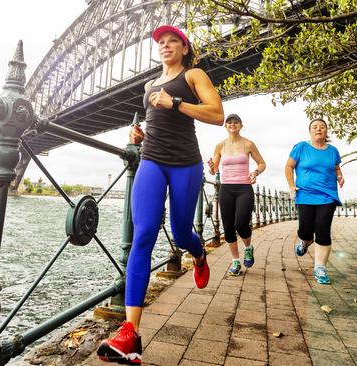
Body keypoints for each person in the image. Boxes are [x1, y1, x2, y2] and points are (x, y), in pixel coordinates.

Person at [97, 25, 224, 364]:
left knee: (182, 232)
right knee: (143, 237)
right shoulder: (148, 85)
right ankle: (130, 333)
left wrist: (176, 101)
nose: (165, 46)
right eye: (161, 42)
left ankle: (197, 255)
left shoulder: (193, 75)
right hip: (151, 161)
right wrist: (138, 134)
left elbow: (217, 114)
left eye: (173, 41)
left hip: (185, 164)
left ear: (184, 48)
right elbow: (155, 119)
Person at [284, 118, 344, 285]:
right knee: (305, 230)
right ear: (310, 130)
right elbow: (288, 167)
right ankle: (306, 240)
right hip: (305, 194)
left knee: (323, 229)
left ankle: (320, 268)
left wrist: (340, 176)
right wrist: (291, 186)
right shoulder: (301, 147)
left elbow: (336, 167)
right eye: (315, 127)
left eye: (322, 127)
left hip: (327, 195)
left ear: (326, 131)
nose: (319, 129)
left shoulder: (333, 151)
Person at [207, 113, 266, 276]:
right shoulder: (220, 146)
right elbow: (215, 170)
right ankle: (235, 261)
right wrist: (212, 167)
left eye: (236, 122)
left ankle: (248, 248)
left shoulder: (248, 144)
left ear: (241, 125)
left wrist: (255, 172)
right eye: (230, 122)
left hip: (244, 188)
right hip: (226, 189)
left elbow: (262, 163)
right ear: (225, 126)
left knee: (240, 224)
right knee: (228, 228)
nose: (232, 124)